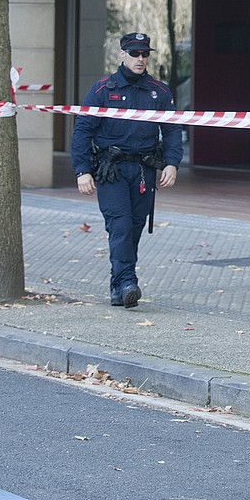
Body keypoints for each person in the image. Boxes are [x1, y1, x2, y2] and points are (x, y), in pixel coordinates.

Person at [71, 33, 183, 309]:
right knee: (119, 225)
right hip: (112, 169)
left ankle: (118, 286)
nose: (141, 59)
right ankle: (127, 281)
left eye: (145, 54)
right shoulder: (102, 90)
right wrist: (82, 170)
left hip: (144, 169)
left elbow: (171, 130)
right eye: (135, 54)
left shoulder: (159, 91)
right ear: (122, 54)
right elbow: (83, 130)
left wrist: (172, 162)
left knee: (134, 227)